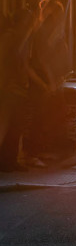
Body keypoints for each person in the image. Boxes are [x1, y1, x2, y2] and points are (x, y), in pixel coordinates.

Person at [25, 0, 73, 167]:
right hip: (44, 82)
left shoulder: (50, 31)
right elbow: (42, 59)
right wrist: (51, 81)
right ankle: (37, 153)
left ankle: (49, 151)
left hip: (50, 80)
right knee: (45, 116)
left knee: (51, 115)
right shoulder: (44, 32)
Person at [0, 9, 38, 172]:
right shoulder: (10, 37)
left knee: (15, 127)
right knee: (4, 125)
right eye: (29, 22)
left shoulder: (24, 39)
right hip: (8, 89)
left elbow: (24, 65)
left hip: (18, 89)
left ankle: (10, 161)